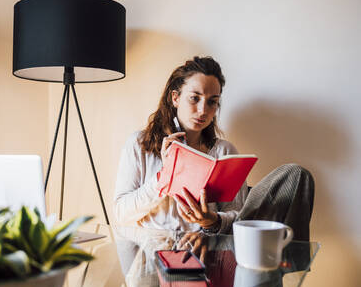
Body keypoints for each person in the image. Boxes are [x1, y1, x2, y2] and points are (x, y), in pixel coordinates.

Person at [114, 56, 314, 241]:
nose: (203, 110)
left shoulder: (223, 151)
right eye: (194, 98)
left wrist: (211, 222)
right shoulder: (140, 144)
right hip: (152, 249)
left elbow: (239, 215)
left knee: (296, 174)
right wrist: (163, 177)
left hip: (207, 247)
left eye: (212, 102)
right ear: (175, 98)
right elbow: (121, 214)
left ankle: (287, 260)